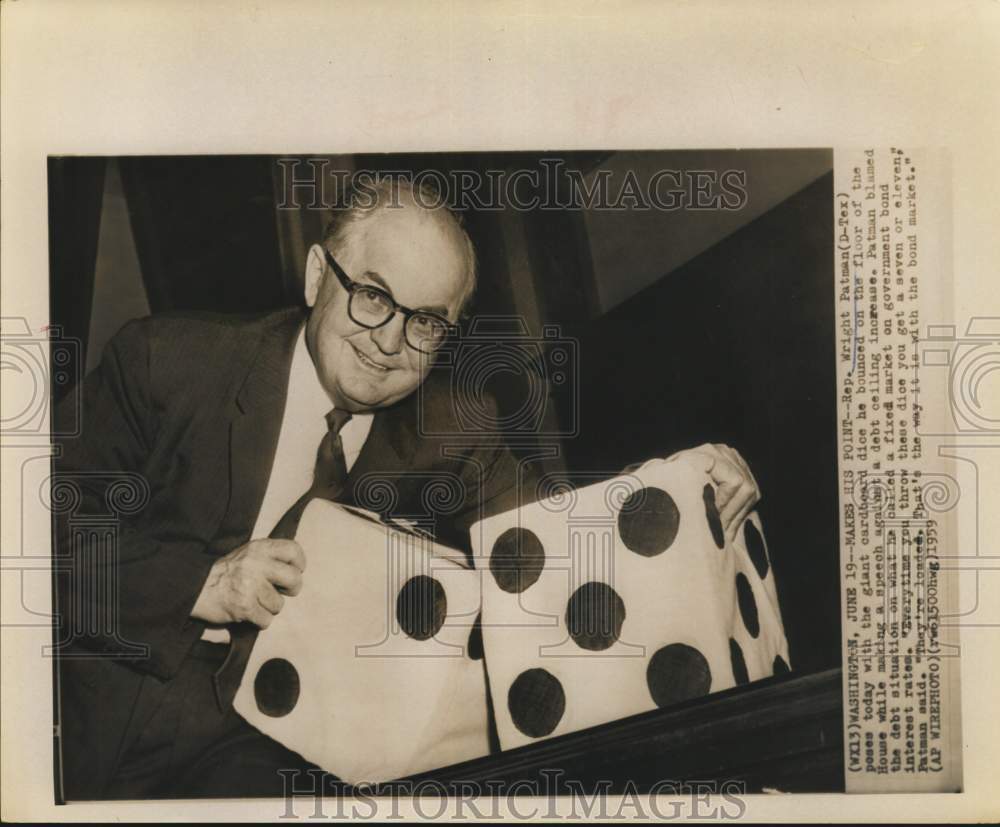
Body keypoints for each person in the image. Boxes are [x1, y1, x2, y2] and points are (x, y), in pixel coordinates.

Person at [53, 179, 760, 800]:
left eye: (424, 322)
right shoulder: (167, 362)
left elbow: (560, 538)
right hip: (90, 709)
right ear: (314, 277)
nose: (390, 341)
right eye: (372, 296)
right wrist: (204, 582)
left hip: (274, 751)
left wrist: (684, 481)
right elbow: (35, 539)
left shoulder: (455, 428)